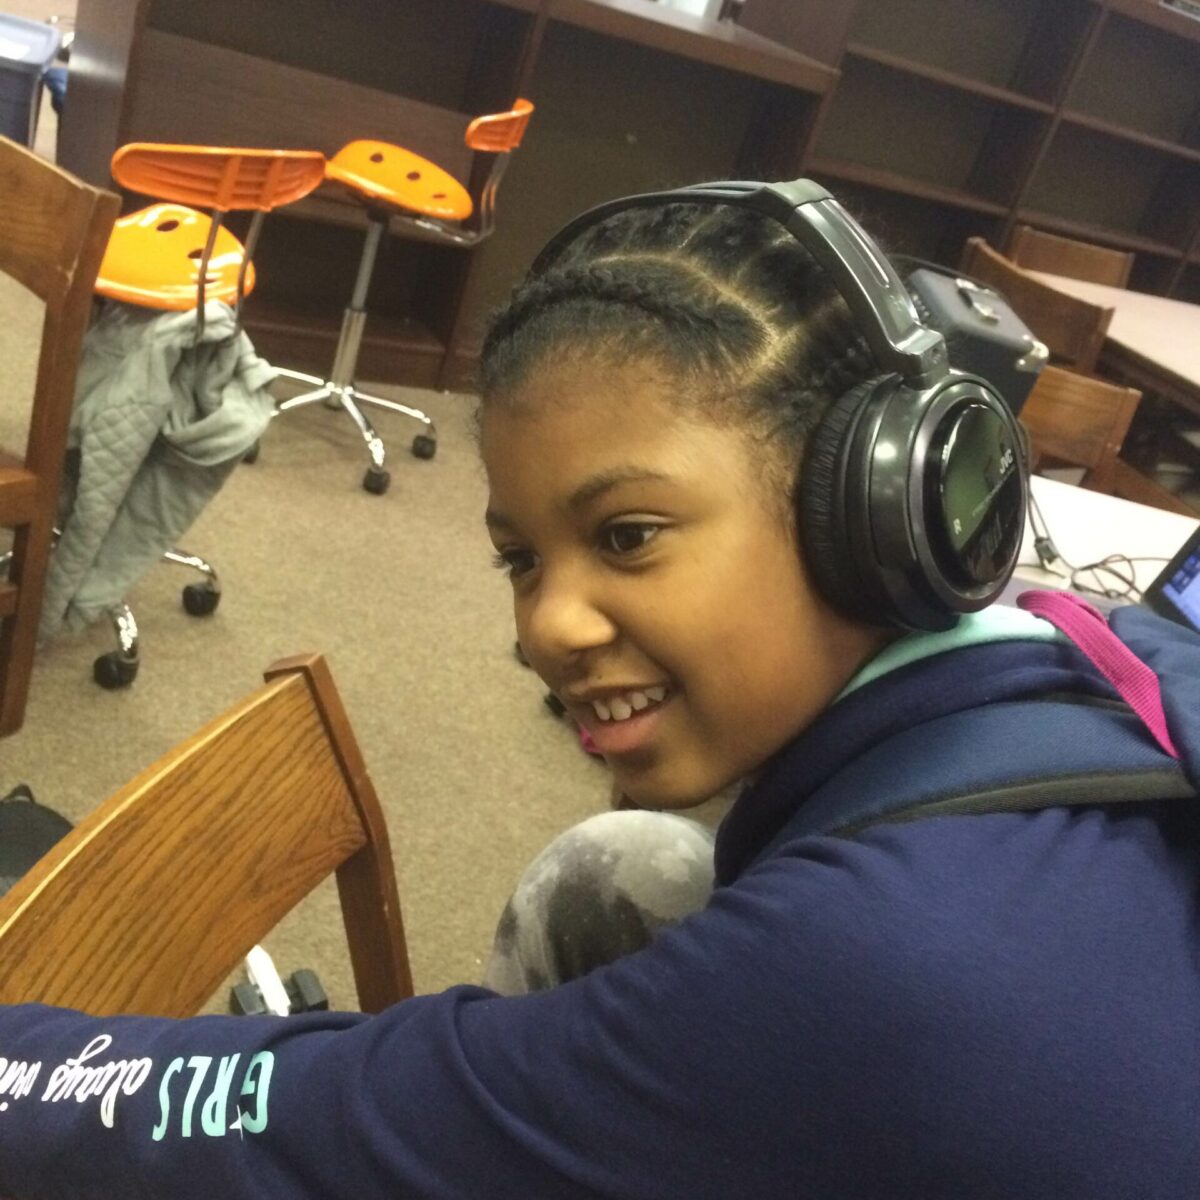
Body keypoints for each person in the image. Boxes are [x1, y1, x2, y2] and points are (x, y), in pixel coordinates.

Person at [0, 180, 1198, 1199]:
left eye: (626, 535)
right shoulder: (1094, 653)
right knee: (623, 866)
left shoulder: (858, 964)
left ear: (866, 512)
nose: (546, 628)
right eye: (521, 560)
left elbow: (333, 1120)